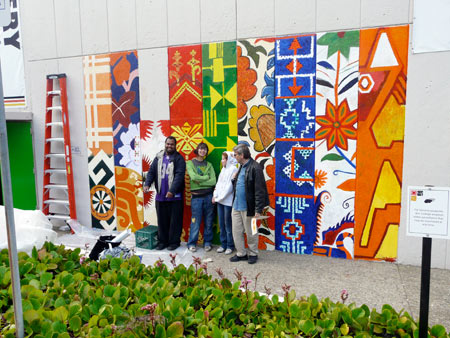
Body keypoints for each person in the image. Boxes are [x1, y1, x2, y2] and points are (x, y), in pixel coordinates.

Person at [230, 143, 269, 264]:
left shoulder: (255, 167)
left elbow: (260, 190)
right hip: (236, 206)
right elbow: (240, 185)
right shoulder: (241, 166)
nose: (234, 157)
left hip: (249, 207)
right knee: (236, 231)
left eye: (236, 155)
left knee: (251, 231)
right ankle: (241, 253)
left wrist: (258, 210)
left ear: (242, 155)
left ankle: (253, 253)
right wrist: (233, 180)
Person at [144, 136, 186, 251]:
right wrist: (147, 184)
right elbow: (151, 171)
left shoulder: (179, 158)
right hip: (161, 196)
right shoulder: (158, 157)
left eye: (172, 144)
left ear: (175, 145)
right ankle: (162, 242)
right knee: (162, 221)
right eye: (168, 144)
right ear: (165, 144)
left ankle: (174, 242)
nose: (169, 146)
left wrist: (172, 190)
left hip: (175, 197)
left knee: (175, 221)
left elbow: (179, 175)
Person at [186, 142, 216, 252]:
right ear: (197, 150)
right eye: (201, 148)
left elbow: (213, 181)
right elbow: (193, 177)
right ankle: (192, 243)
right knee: (195, 221)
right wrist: (206, 178)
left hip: (209, 196)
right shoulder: (190, 163)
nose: (203, 151)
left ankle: (207, 242)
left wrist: (200, 182)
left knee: (209, 221)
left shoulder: (209, 165)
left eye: (205, 149)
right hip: (196, 198)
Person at [212, 151, 238, 255]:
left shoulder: (233, 169)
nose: (221, 160)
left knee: (228, 224)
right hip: (220, 201)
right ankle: (223, 244)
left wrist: (219, 198)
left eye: (223, 158)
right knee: (221, 224)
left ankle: (230, 245)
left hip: (227, 202)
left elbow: (229, 187)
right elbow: (218, 184)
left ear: (229, 160)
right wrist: (215, 195)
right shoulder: (223, 169)